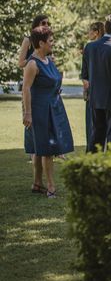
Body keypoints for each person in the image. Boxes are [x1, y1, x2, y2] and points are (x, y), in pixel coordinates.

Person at [22, 26, 74, 197]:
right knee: (47, 149)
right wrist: (27, 113)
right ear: (41, 43)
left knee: (40, 148)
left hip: (54, 107)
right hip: (40, 110)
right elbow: (26, 89)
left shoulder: (48, 60)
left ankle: (37, 184)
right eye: (50, 41)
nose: (53, 43)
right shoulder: (32, 63)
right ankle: (51, 187)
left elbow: (53, 80)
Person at [84, 14, 111, 152]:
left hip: (95, 98)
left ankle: (91, 169)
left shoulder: (90, 48)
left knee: (96, 137)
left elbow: (85, 75)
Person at [19, 14, 51, 188]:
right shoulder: (28, 40)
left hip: (43, 86)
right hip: (31, 84)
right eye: (43, 23)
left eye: (48, 23)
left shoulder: (47, 40)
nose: (46, 25)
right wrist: (35, 61)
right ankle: (36, 180)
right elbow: (20, 62)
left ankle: (37, 181)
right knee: (34, 136)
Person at [80, 22, 104, 152]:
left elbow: (84, 74)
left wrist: (87, 86)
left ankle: (91, 149)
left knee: (92, 123)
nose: (88, 33)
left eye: (90, 31)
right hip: (101, 91)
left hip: (93, 92)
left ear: (96, 32)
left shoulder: (89, 47)